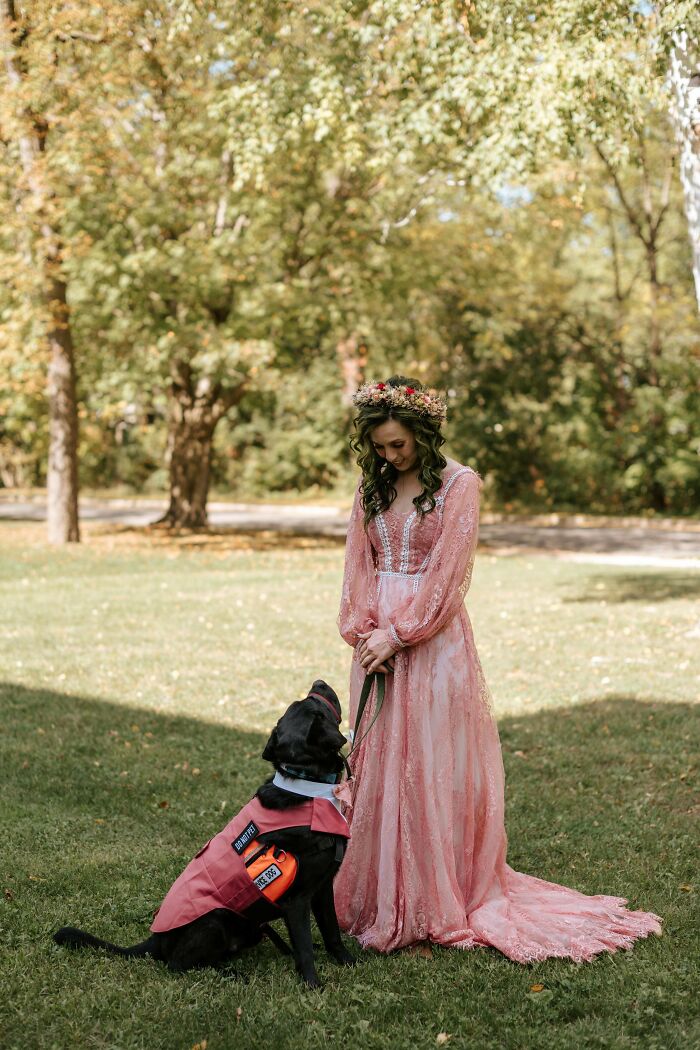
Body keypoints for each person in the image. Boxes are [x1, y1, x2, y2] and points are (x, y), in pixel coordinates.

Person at [333, 374, 662, 961]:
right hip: (373, 645)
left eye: (399, 446)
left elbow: (449, 576)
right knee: (381, 766)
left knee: (428, 767)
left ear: (424, 434)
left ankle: (433, 902)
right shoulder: (371, 488)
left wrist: (400, 633)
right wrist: (363, 630)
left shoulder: (460, 485)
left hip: (429, 643)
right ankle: (380, 897)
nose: (389, 456)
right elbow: (358, 564)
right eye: (380, 446)